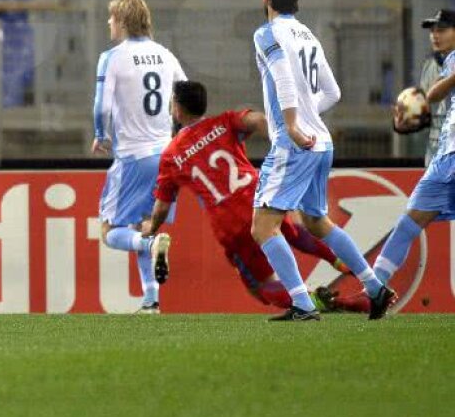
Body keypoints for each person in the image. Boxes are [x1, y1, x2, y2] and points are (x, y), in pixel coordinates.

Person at [145, 81, 367, 313]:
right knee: (293, 233)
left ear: (178, 110)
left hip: (230, 224)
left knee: (260, 287)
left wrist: (152, 227)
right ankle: (349, 266)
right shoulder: (224, 122)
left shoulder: (171, 155)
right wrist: (285, 146)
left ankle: (313, 300)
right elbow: (260, 120)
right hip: (257, 196)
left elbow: (162, 207)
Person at [250, 0, 394, 321]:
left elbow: (283, 77)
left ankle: (301, 303)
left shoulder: (266, 33)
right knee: (316, 221)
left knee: (262, 227)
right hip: (321, 143)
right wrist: (308, 117)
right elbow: (334, 93)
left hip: (294, 143)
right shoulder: (309, 36)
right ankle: (375, 288)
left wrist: (292, 124)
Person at [91, 0, 183, 313]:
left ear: (123, 21)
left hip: (133, 157)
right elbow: (184, 99)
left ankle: (148, 245)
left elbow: (101, 107)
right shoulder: (166, 55)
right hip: (166, 156)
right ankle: (151, 299)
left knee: (109, 230)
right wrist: (180, 140)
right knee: (147, 223)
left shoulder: (112, 57)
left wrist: (101, 135)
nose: (108, 22)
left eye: (112, 17)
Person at [371, 41, 455, 298]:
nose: (434, 36)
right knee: (409, 222)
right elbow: (433, 96)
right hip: (448, 155)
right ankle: (374, 289)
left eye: (442, 29)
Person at [392, 9, 455, 164]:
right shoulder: (429, 65)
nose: (435, 35)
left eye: (441, 30)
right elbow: (428, 114)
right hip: (435, 157)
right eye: (432, 31)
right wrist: (406, 120)